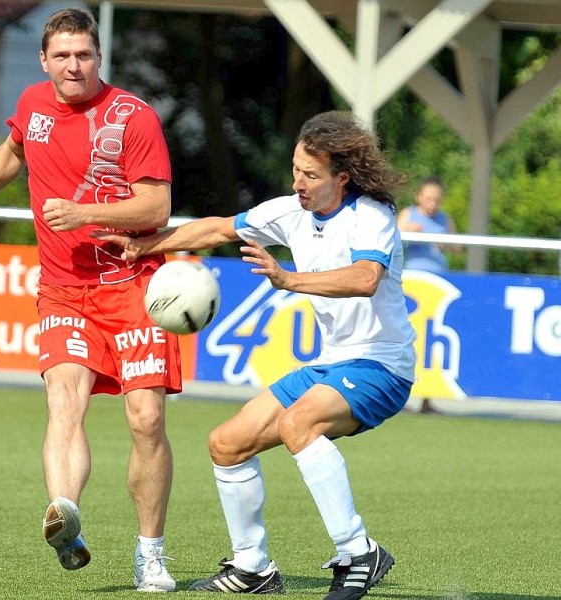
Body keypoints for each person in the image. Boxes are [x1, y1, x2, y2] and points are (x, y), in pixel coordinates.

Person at [94, 110, 416, 599]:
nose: (298, 182)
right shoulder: (290, 212)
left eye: (311, 174)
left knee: (296, 425)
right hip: (331, 363)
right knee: (227, 443)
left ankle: (358, 550)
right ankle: (253, 567)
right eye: (295, 169)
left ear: (342, 178)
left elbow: (365, 279)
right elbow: (217, 229)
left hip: (382, 364)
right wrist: (145, 246)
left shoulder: (371, 215)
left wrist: (288, 279)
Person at [0, 8, 180, 591]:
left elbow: (156, 209)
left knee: (146, 420)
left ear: (99, 58)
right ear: (45, 61)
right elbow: (11, 151)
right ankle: (65, 514)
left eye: (85, 55)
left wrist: (85, 213)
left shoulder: (133, 117)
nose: (75, 65)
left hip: (135, 286)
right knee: (64, 400)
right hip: (63, 289)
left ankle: (150, 553)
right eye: (63, 56)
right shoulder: (32, 105)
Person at [396, 175, 459, 273]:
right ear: (418, 197)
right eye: (428, 199)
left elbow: (457, 250)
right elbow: (393, 241)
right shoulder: (408, 214)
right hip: (414, 273)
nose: (433, 204)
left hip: (440, 274)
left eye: (437, 200)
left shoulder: (446, 219)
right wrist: (408, 231)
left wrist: (446, 243)